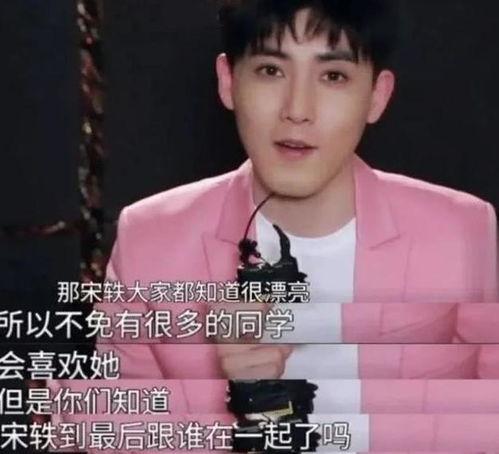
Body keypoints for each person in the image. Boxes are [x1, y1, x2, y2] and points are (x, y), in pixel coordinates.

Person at [102, 0, 498, 387]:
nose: (297, 109)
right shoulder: (149, 241)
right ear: (228, 81)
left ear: (377, 96)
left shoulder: (463, 230)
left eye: (333, 76)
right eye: (271, 70)